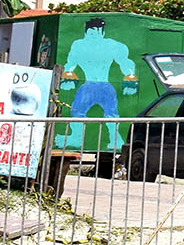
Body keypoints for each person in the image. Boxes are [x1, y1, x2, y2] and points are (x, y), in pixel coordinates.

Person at [56, 17, 138, 149]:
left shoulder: (112, 46)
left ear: (103, 33)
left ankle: (116, 139)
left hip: (105, 86)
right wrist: (67, 76)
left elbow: (125, 62)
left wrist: (131, 78)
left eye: (99, 32)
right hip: (88, 86)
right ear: (86, 33)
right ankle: (76, 138)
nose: (96, 36)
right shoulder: (78, 45)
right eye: (93, 33)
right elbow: (70, 63)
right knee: (77, 111)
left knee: (111, 113)